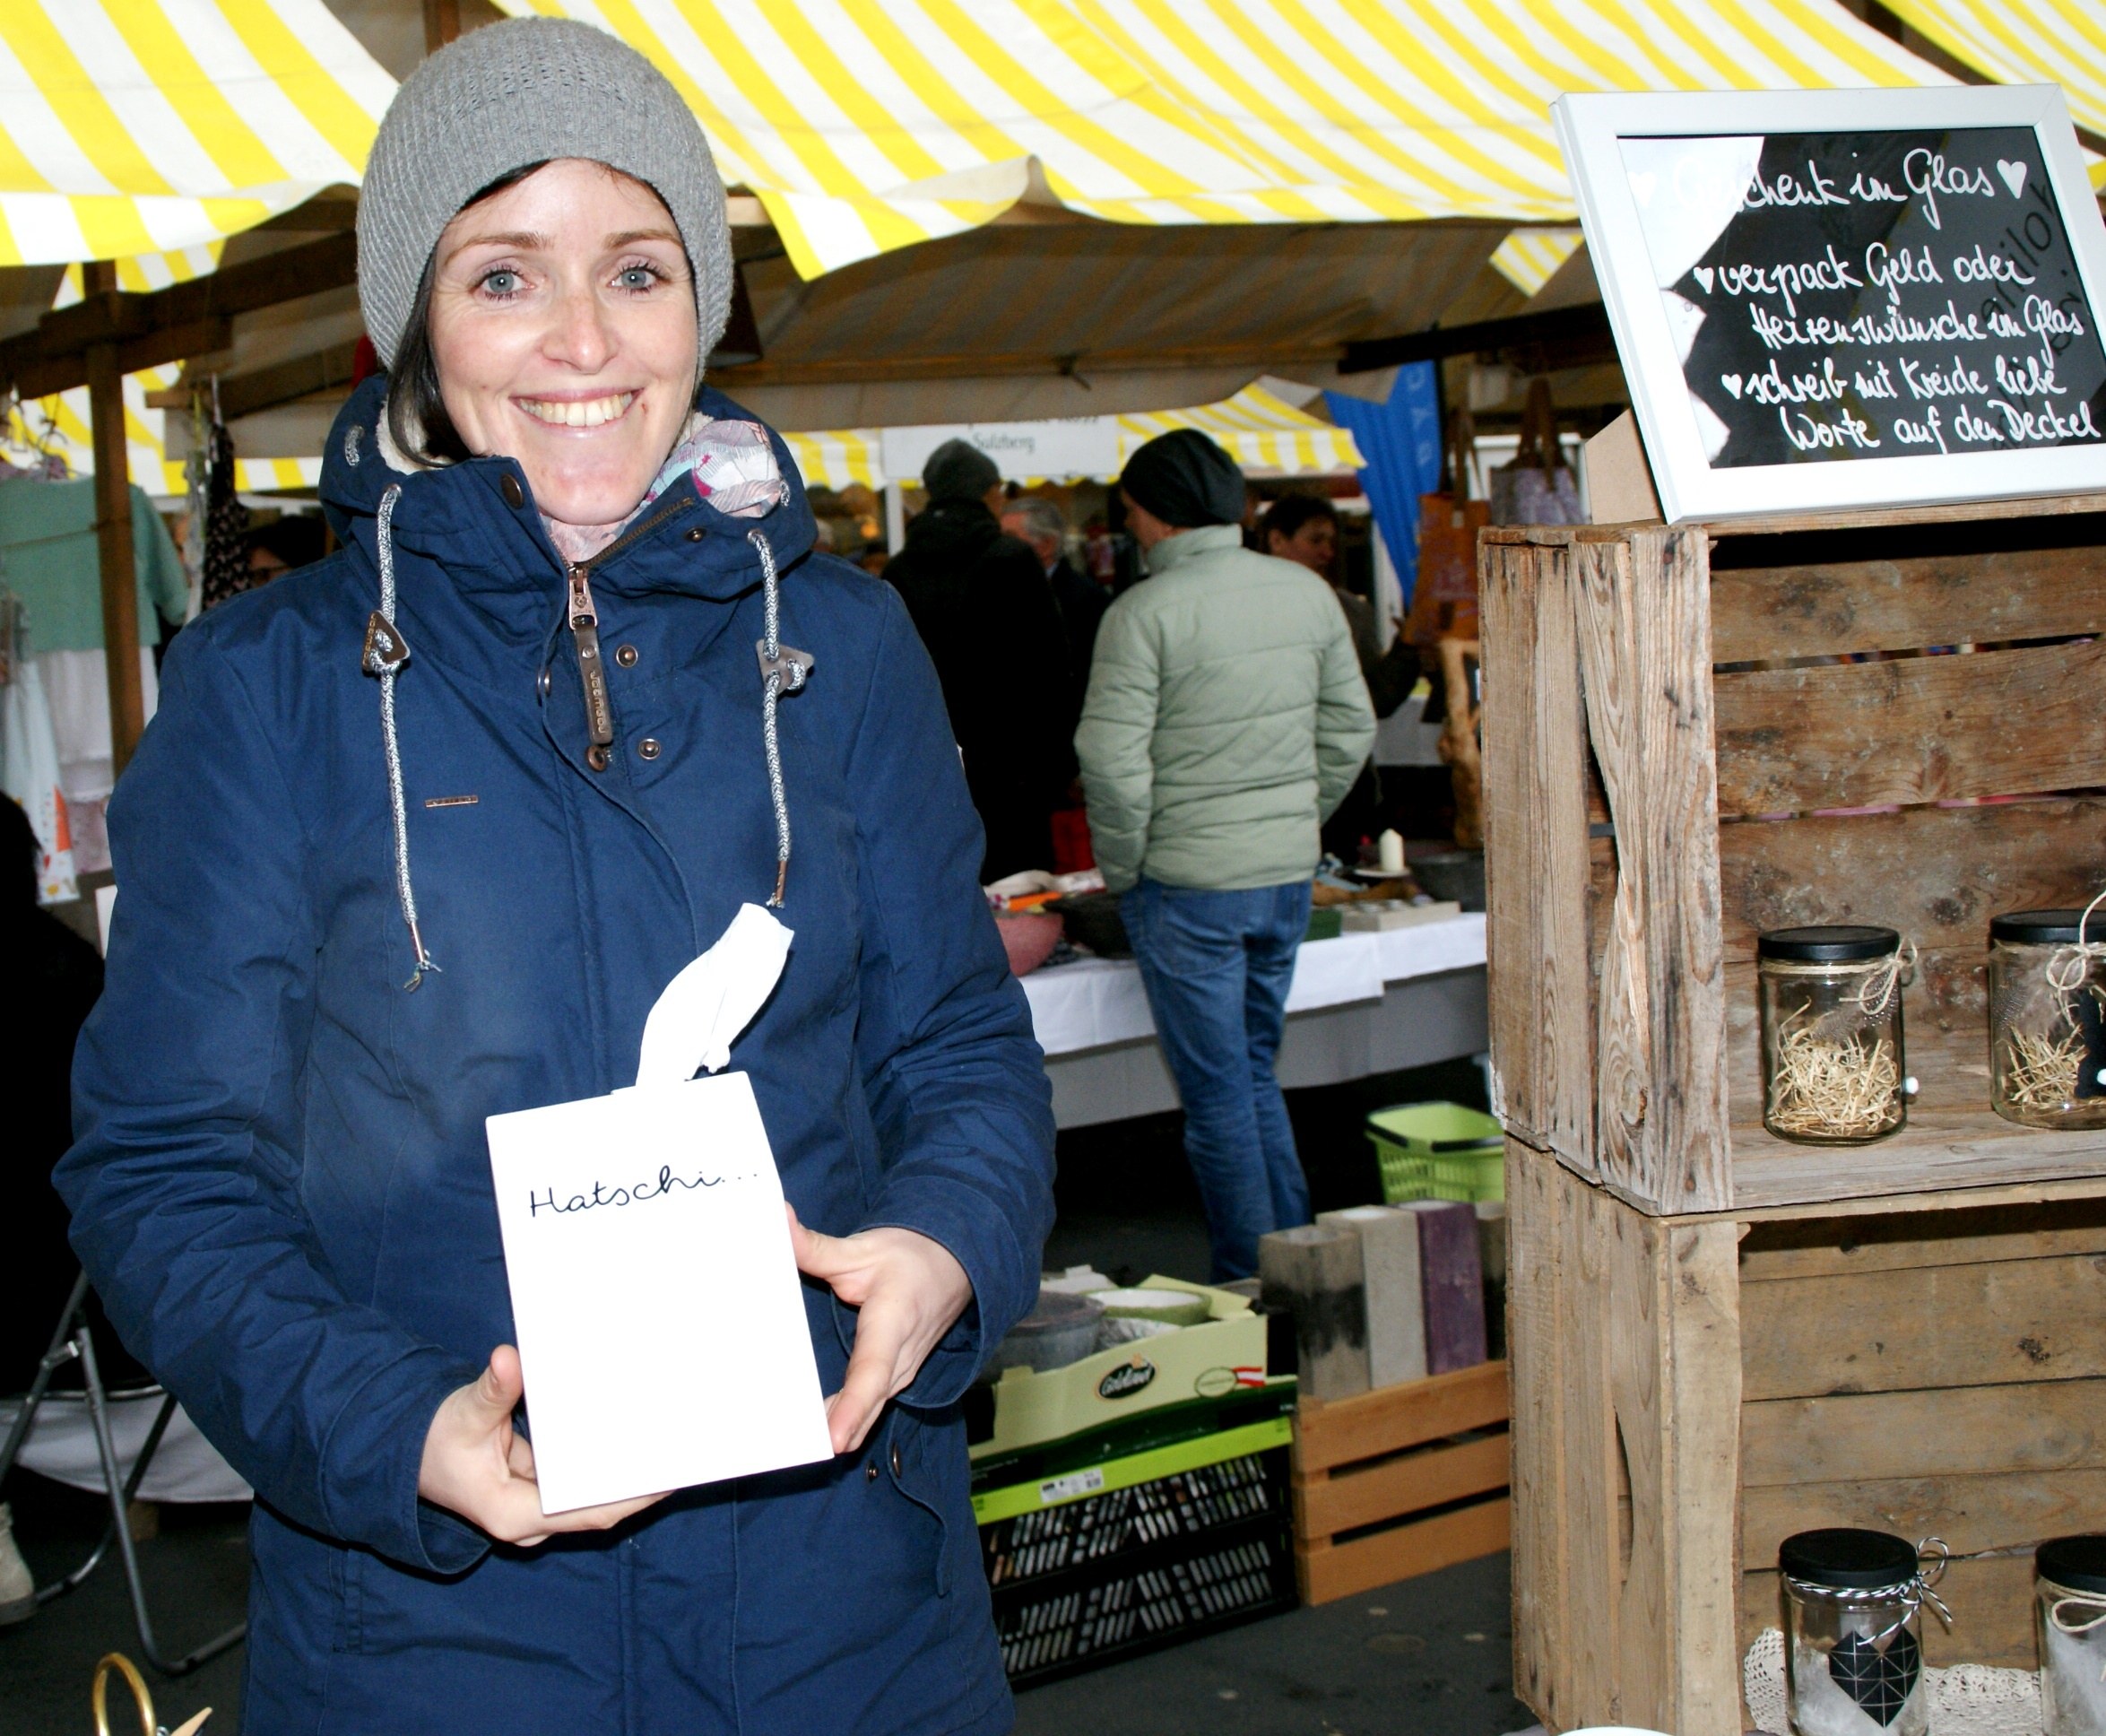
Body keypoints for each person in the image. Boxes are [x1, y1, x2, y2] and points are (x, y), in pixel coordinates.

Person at [56, 20, 1053, 1733]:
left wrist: (945, 1239)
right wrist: (391, 1424)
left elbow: (958, 1047)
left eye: (638, 271)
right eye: (504, 275)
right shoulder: (268, 687)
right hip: (435, 1645)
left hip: (847, 1613)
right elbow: (164, 1164)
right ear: (416, 324)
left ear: (698, 308)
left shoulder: (842, 646)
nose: (583, 341)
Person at [1075, 431, 1374, 1280]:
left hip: (1185, 885)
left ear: (1158, 515)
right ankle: (1300, 1274)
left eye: (1132, 511)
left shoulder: (1141, 613)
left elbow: (1111, 763)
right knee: (1251, 1077)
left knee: (1218, 1099)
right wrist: (1294, 818)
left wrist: (1128, 868)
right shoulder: (1303, 592)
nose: (1130, 527)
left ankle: (1252, 1285)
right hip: (1282, 877)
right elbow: (1350, 727)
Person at [882, 441, 1075, 881]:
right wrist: (1060, 766)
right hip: (1014, 766)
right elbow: (1050, 670)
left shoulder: (900, 570)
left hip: (933, 765)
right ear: (988, 493)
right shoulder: (1011, 560)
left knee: (952, 885)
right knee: (1023, 891)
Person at [1261, 494, 1419, 717]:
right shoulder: (1244, 608)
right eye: (1316, 540)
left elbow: (1373, 699)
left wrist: (1406, 651)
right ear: (1277, 540)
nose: (1327, 553)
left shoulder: (1351, 610)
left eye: (1331, 543)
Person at [1001, 494, 1106, 709]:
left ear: (1046, 545)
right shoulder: (1002, 594)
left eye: (1009, 538)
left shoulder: (1087, 600)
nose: (999, 548)